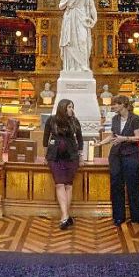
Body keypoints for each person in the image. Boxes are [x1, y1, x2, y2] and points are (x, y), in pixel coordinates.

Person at [97, 95, 139, 226]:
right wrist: (100, 144)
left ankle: (137, 216)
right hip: (116, 155)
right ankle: (118, 217)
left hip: (130, 155)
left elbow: (138, 137)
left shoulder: (134, 118)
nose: (113, 106)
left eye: (116, 104)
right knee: (116, 186)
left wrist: (124, 139)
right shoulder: (114, 119)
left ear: (123, 104)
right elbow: (113, 136)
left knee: (133, 185)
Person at [43, 98, 83, 230]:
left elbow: (80, 139)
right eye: (70, 107)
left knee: (68, 186)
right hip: (55, 157)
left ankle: (65, 217)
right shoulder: (51, 120)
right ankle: (65, 216)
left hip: (71, 157)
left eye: (73, 107)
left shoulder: (74, 121)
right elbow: (45, 138)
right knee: (59, 184)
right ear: (63, 108)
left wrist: (81, 156)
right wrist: (45, 156)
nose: (72, 109)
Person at [58, 0, 97, 72]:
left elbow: (92, 7)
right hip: (70, 17)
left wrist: (95, 20)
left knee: (83, 40)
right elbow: (60, 6)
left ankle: (83, 65)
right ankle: (71, 68)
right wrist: (67, 0)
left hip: (82, 18)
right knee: (70, 42)